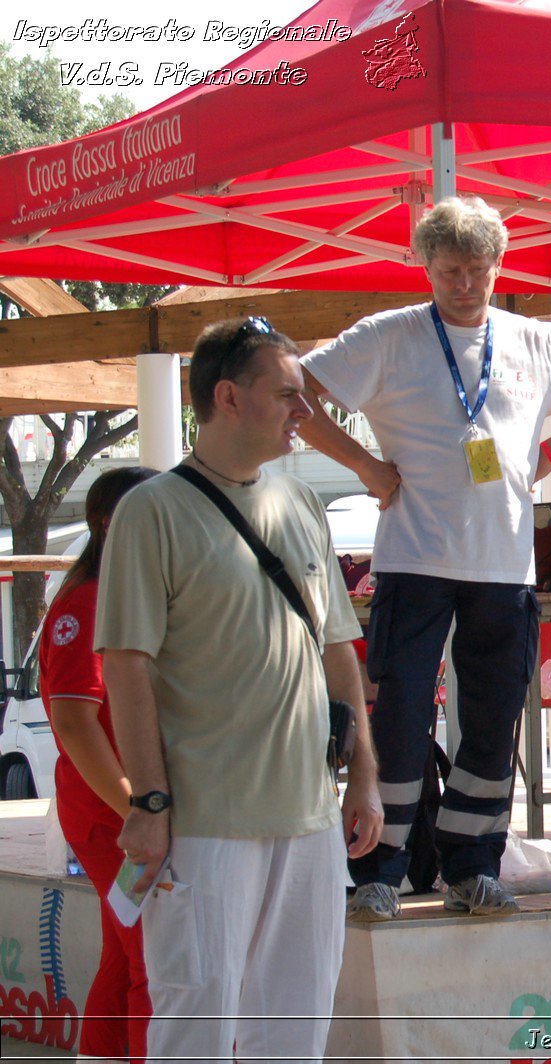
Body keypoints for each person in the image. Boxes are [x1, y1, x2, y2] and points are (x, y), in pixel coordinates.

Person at [298, 195, 551, 920]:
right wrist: (365, 465)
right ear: (425, 266)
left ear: (498, 266)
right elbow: (296, 393)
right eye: (450, 270)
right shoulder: (387, 335)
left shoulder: (532, 339)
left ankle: (472, 866)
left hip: (504, 567)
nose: (463, 285)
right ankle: (377, 872)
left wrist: (550, 452)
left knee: (491, 720)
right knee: (398, 717)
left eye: (477, 271)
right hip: (414, 560)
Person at [99, 316, 382, 1061]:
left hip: (310, 817)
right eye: (288, 393)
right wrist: (150, 803)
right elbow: (124, 665)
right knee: (197, 1017)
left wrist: (365, 779)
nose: (306, 412)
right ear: (227, 397)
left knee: (295, 1025)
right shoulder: (150, 511)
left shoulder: (301, 506)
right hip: (203, 821)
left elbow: (338, 649)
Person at [39, 465, 157, 1062]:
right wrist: (140, 810)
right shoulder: (86, 601)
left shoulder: (119, 593)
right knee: (152, 962)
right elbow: (74, 723)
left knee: (126, 956)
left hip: (125, 817)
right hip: (115, 821)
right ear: (113, 523)